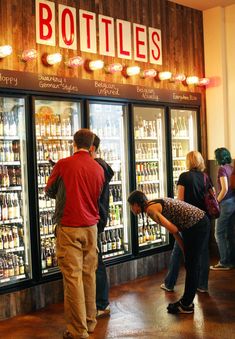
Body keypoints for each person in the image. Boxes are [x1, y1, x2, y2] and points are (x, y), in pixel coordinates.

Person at [45, 129, 104, 339]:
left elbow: (49, 190)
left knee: (73, 279)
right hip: (91, 228)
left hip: (69, 227)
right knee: (89, 276)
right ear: (91, 147)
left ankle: (78, 331)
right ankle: (90, 322)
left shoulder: (63, 164)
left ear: (73, 144)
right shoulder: (98, 168)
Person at [128, 190, 210, 314]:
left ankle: (187, 304)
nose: (131, 209)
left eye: (130, 206)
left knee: (192, 265)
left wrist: (186, 251)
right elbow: (175, 230)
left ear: (135, 204)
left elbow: (173, 229)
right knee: (191, 263)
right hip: (196, 223)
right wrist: (184, 250)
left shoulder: (151, 210)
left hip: (196, 225)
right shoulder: (151, 203)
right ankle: (186, 301)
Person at [161, 151, 213, 293]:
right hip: (204, 219)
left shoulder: (184, 177)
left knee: (178, 251)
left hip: (188, 220)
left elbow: (180, 201)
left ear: (188, 162)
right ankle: (202, 285)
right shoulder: (205, 177)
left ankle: (169, 283)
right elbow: (211, 195)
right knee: (203, 251)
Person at [90, 135, 114, 317]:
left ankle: (101, 303)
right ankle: (99, 302)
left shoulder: (97, 167)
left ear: (91, 148)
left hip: (94, 218)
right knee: (96, 261)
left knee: (97, 262)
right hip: (98, 216)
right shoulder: (102, 166)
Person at [210, 147, 235, 270]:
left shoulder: (222, 169)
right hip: (233, 202)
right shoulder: (231, 168)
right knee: (229, 233)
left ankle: (224, 262)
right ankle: (231, 260)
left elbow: (224, 188)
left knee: (218, 232)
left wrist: (216, 202)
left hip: (226, 203)